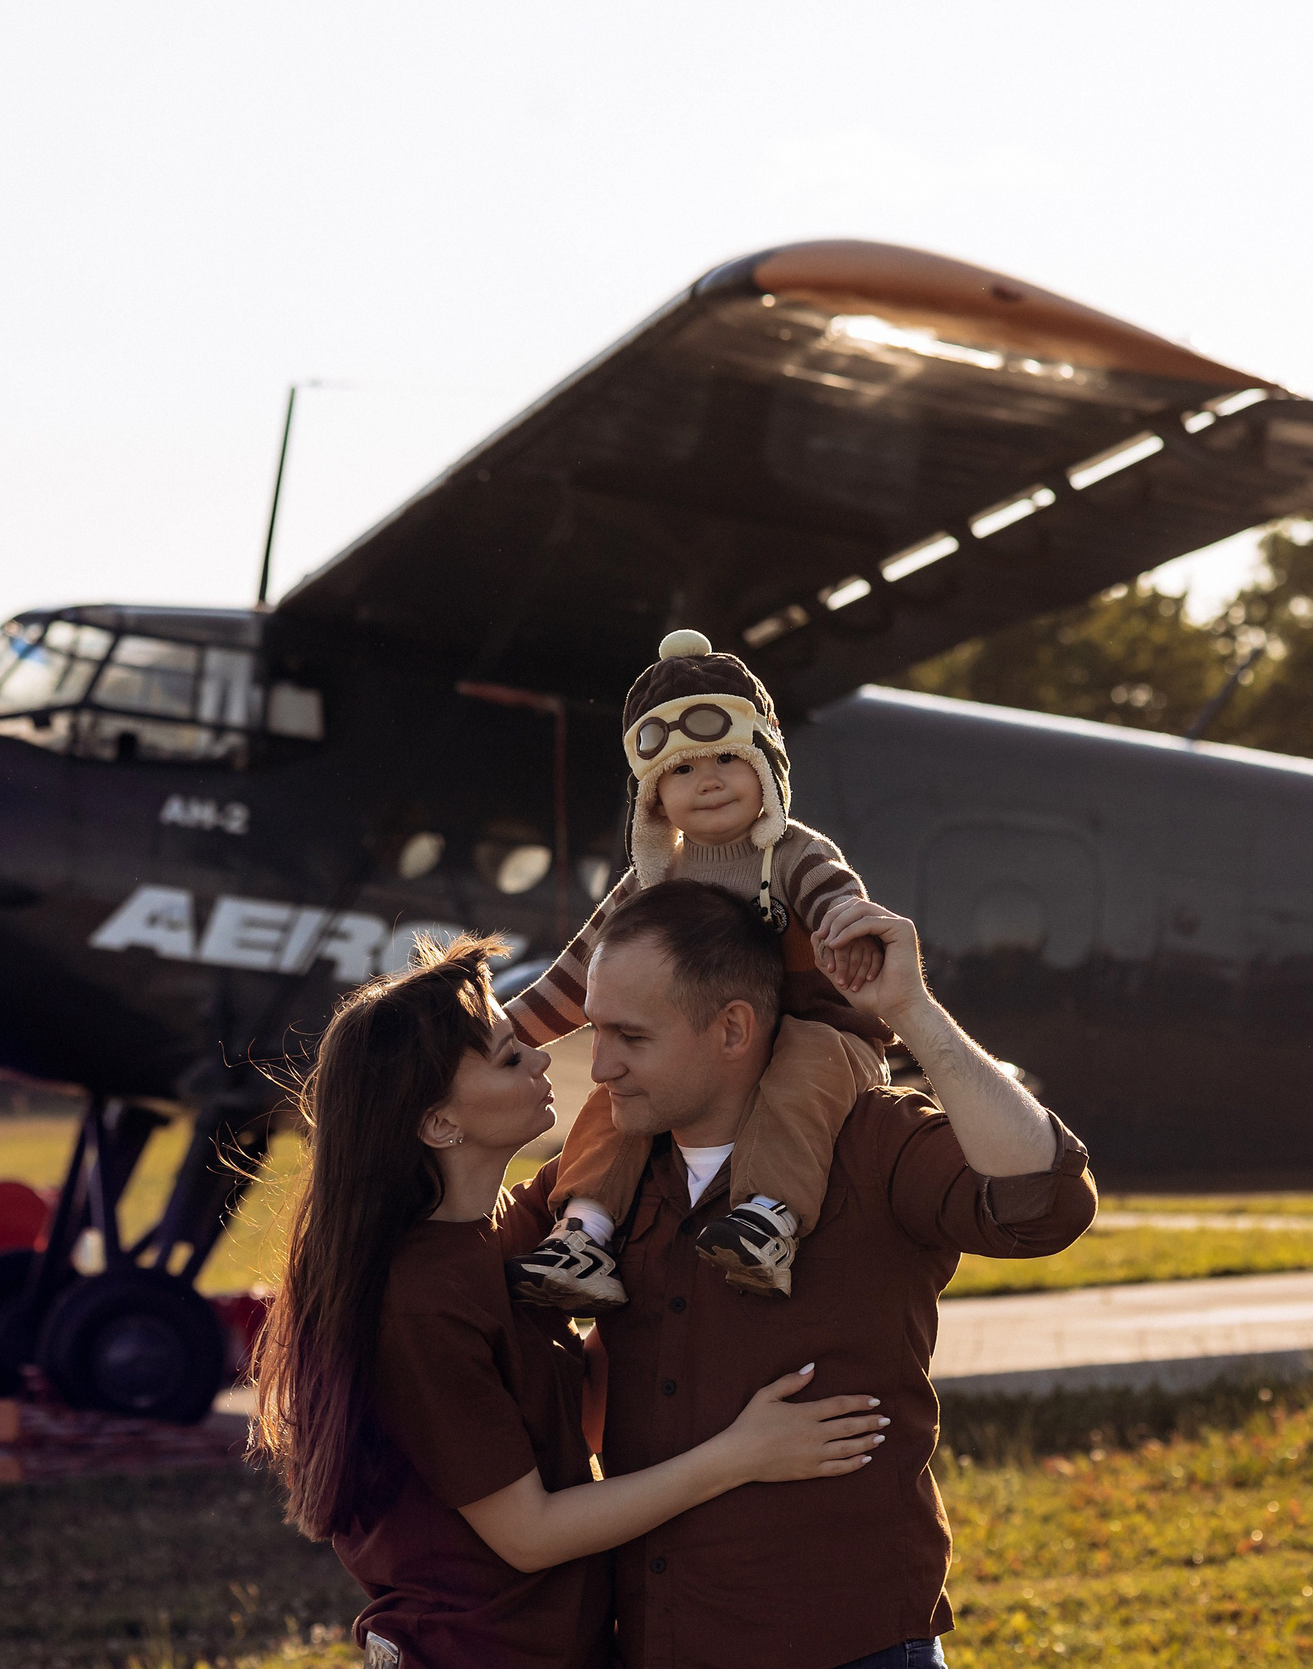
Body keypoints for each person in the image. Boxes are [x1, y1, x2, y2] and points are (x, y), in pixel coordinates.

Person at [250, 933, 892, 1669]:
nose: (544, 1057)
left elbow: (568, 1430)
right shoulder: (418, 1299)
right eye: (507, 1056)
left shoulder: (502, 1241)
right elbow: (529, 1530)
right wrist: (743, 1453)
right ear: (438, 1123)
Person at [506, 881, 1098, 1669]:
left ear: (733, 1029)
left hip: (848, 1646)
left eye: (631, 1035)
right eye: (597, 1027)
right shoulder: (601, 1169)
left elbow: (1044, 1204)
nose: (601, 1062)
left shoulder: (872, 1139)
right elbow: (464, 1273)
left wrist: (913, 1011)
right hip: (657, 1639)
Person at [505, 629, 889, 1305]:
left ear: (767, 766)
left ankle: (771, 1217)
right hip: (701, 1056)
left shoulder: (794, 854)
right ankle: (585, 1232)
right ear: (653, 797)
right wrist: (505, 1031)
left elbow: (840, 902)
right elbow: (578, 970)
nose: (706, 780)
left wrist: (851, 937)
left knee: (806, 1067)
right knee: (618, 1098)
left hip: (820, 1033)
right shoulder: (654, 878)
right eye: (680, 770)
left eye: (726, 759)